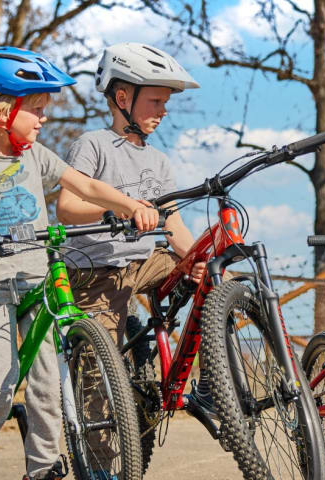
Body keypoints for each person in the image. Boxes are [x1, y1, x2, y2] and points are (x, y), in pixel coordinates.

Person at [0, 46, 158, 480]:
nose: (43, 119)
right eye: (37, 110)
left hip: (35, 281)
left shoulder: (35, 155)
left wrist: (127, 204)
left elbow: (84, 184)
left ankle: (43, 467)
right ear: (1, 109)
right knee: (0, 383)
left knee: (47, 380)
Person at [56, 42, 213, 412]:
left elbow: (172, 223)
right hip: (97, 269)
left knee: (217, 277)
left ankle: (211, 385)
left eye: (165, 103)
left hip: (145, 262)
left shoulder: (159, 161)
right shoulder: (92, 145)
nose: (163, 111)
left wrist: (196, 259)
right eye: (156, 102)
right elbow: (67, 207)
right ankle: (104, 467)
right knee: (98, 373)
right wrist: (119, 210)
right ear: (123, 97)